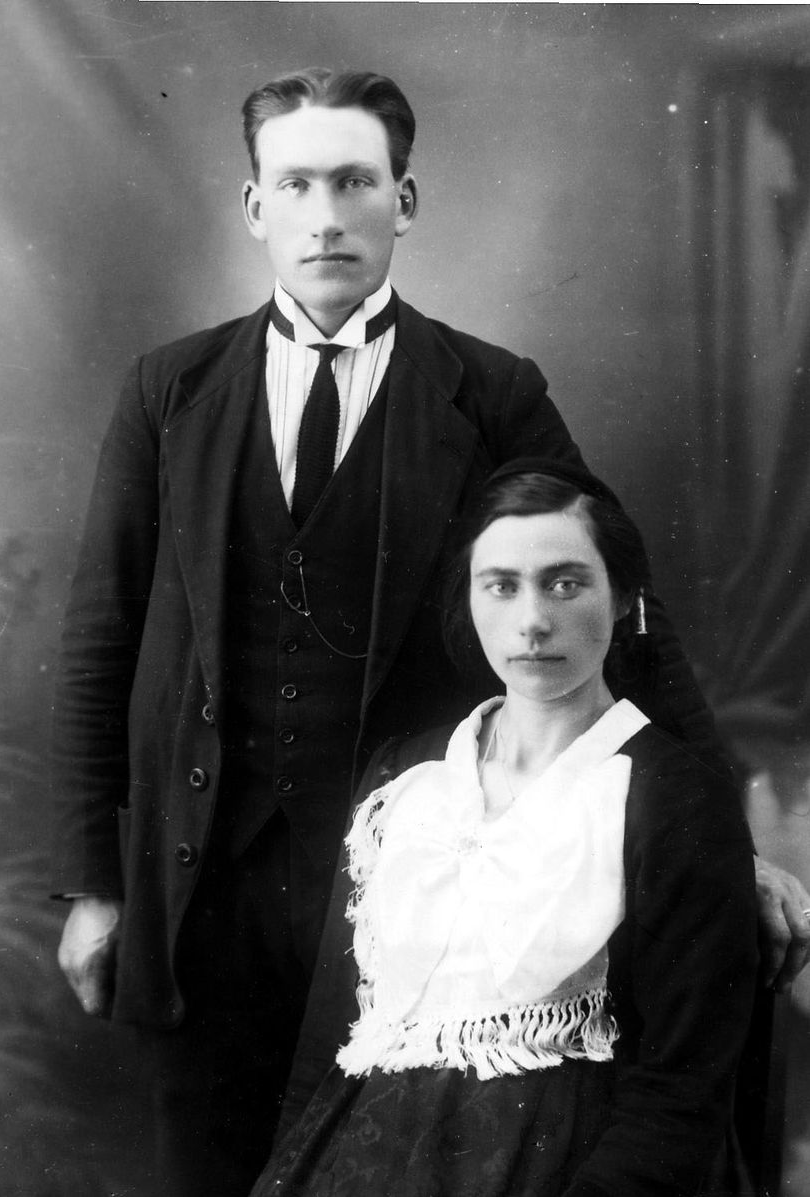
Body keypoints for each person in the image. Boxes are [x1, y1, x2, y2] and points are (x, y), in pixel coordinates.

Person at [50, 68, 808, 1197]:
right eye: (295, 184)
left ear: (402, 201)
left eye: (354, 182)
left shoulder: (489, 391)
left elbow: (619, 610)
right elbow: (99, 640)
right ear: (253, 206)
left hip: (401, 904)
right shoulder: (170, 390)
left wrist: (726, 844)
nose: (325, 214)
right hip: (202, 890)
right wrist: (92, 885)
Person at [251, 460, 759, 1197]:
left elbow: (681, 1090)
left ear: (623, 599)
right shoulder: (406, 776)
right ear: (468, 598)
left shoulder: (674, 795)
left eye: (564, 583)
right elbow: (332, 1030)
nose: (532, 621)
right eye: (500, 585)